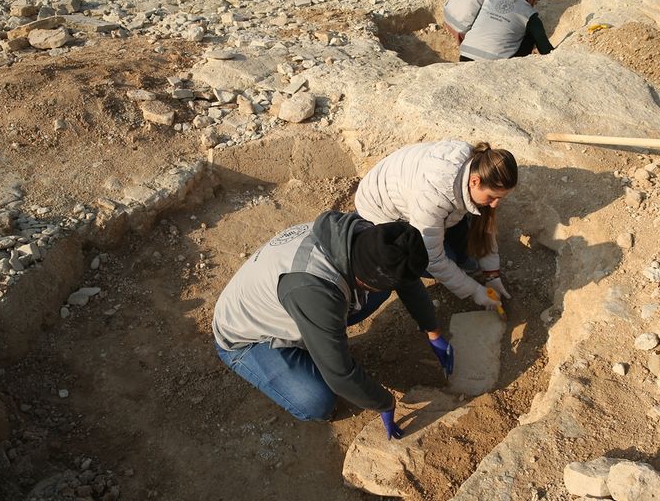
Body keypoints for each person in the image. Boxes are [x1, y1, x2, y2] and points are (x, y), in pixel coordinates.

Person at [212, 210, 454, 440]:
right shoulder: (316, 290)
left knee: (380, 291)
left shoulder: (363, 236)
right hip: (248, 338)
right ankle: (302, 353)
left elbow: (405, 279)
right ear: (364, 279)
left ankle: (320, 340)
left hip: (293, 304)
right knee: (317, 402)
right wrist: (385, 402)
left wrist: (432, 330)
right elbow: (340, 375)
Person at [354, 140, 518, 311]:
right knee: (437, 262)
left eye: (500, 198)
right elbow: (433, 258)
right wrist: (475, 290)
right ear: (475, 182)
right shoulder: (432, 198)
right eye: (492, 197)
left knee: (462, 251)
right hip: (379, 210)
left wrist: (492, 274)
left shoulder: (478, 164)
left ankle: (462, 260)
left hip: (415, 198)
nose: (494, 204)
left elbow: (484, 224)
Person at [458, 0, 554, 61]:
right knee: (531, 33)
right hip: (495, 64)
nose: (536, 3)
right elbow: (546, 51)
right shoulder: (530, 15)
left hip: (465, 56)